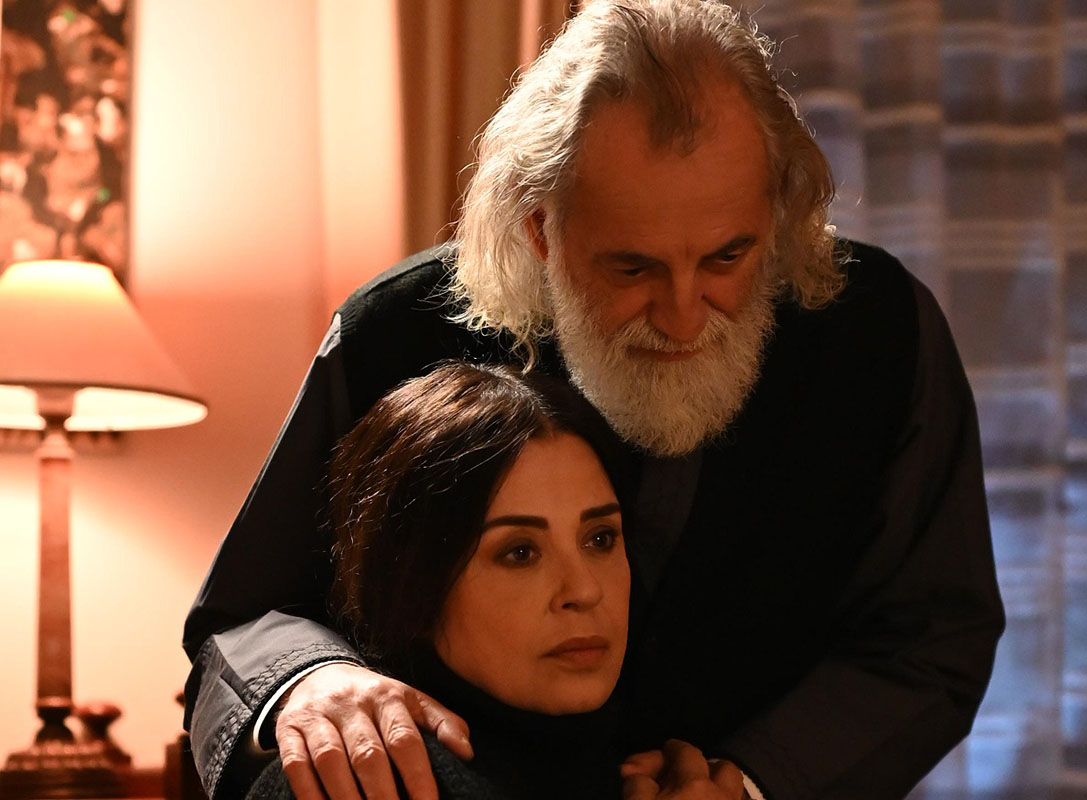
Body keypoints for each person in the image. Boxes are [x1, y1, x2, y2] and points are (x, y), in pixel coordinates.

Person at [183, 1, 1006, 799]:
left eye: (727, 257)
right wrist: (310, 679)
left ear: (779, 206)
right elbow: (245, 619)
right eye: (632, 267)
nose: (683, 316)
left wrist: (749, 785)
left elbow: (935, 639)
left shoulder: (883, 332)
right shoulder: (393, 332)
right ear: (540, 230)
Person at [241, 362, 739, 800]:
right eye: (520, 553)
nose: (585, 591)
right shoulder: (359, 776)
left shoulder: (653, 774)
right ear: (414, 583)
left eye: (600, 538)